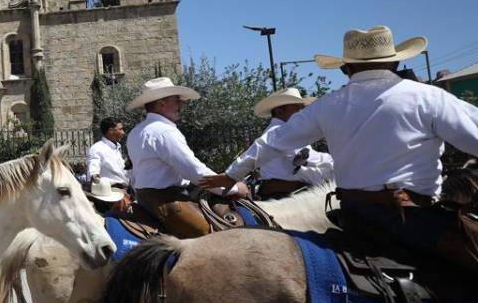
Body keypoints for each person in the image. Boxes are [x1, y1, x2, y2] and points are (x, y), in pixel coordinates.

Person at [202, 26, 478, 271]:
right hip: (413, 218)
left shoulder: (329, 104)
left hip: (354, 216)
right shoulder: (428, 98)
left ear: (346, 68)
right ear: (395, 61)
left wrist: (232, 174)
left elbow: (273, 142)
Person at [126, 76, 247, 238]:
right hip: (169, 203)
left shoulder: (136, 132)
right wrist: (232, 188)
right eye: (176, 100)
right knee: (218, 240)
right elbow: (194, 171)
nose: (180, 105)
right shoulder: (164, 132)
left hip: (144, 201)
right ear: (162, 102)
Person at [228, 87, 334, 199]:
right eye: (297, 108)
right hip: (287, 194)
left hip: (284, 191)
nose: (302, 112)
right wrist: (338, 162)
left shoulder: (280, 131)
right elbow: (309, 159)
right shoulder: (281, 132)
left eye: (302, 108)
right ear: (279, 111)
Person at [88, 118, 131, 188]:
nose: (123, 132)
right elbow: (93, 170)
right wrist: (94, 175)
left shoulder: (116, 148)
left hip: (125, 190)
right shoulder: (97, 148)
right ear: (111, 131)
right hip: (111, 192)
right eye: (120, 129)